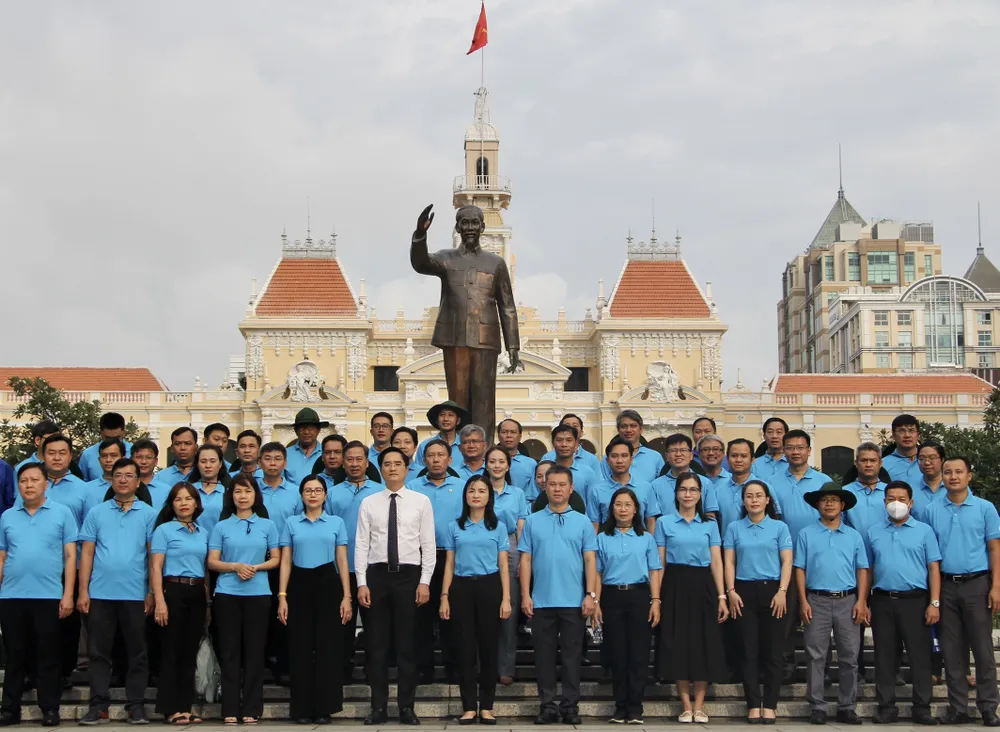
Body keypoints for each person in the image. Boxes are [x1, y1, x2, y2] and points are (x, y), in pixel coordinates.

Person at [411, 203, 520, 445]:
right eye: (464, 223)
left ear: (482, 227)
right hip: (454, 338)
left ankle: (484, 452)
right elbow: (420, 264)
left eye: (474, 223)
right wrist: (420, 234)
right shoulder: (445, 259)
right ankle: (457, 453)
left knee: (484, 400)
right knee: (457, 401)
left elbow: (507, 306)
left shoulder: (496, 263)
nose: (469, 228)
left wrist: (513, 347)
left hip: (486, 339)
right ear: (457, 227)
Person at [356, 448, 436, 725]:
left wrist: (424, 581)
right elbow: (361, 545)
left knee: (407, 646)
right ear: (380, 468)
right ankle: (378, 707)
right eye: (387, 464)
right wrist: (362, 582)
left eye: (397, 464)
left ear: (406, 468)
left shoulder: (421, 501)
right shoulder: (369, 502)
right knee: (376, 646)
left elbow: (428, 545)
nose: (392, 468)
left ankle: (406, 707)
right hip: (377, 576)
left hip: (409, 576)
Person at [77, 458, 157, 726]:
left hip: (135, 594)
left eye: (129, 475)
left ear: (138, 481)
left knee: (138, 652)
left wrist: (151, 592)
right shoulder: (96, 513)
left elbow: (152, 556)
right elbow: (86, 553)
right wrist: (83, 591)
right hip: (100, 594)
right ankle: (98, 705)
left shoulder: (148, 513)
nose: (123, 479)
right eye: (118, 475)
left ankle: (136, 705)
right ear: (111, 480)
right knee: (98, 653)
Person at [922, 457, 1000, 726]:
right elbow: (929, 555)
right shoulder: (932, 510)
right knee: (952, 651)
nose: (953, 476)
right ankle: (958, 708)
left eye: (958, 472)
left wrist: (996, 587)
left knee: (983, 649)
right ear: (941, 476)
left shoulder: (984, 508)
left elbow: (994, 549)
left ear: (969, 476)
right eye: (948, 472)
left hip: (977, 584)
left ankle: (988, 707)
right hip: (945, 586)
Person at [519, 465, 598, 725]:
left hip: (574, 601)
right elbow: (526, 560)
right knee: (543, 657)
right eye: (552, 484)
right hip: (541, 600)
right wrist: (525, 596)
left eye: (562, 484)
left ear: (571, 488)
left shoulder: (583, 521)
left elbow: (590, 560)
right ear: (545, 486)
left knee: (572, 656)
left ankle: (570, 705)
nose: (557, 489)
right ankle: (547, 705)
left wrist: (591, 595)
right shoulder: (532, 520)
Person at [0, 463, 77, 727]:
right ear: (18, 485)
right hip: (11, 596)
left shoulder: (62, 513)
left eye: (34, 480)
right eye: (23, 481)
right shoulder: (7, 516)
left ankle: (50, 709)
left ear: (46, 483)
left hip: (48, 595)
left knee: (48, 655)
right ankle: (10, 710)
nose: (29, 485)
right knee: (14, 656)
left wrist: (68, 595)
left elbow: (70, 556)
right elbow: (2, 556)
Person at [277, 475, 352, 724]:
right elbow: (286, 560)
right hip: (298, 583)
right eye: (308, 490)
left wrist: (346, 596)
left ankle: (324, 708)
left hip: (327, 582)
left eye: (318, 490)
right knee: (299, 647)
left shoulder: (336, 522)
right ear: (301, 495)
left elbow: (342, 560)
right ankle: (301, 709)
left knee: (327, 648)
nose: (313, 494)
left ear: (325, 495)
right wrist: (282, 596)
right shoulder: (291, 523)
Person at [865, 480, 940, 725]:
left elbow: (933, 568)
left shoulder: (924, 531)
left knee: (919, 656)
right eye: (890, 499)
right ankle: (886, 706)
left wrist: (934, 602)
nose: (895, 503)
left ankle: (922, 707)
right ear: (884, 501)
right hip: (883, 600)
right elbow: (868, 568)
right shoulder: (874, 531)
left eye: (901, 499)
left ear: (910, 502)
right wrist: (864, 601)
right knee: (884, 656)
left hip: (915, 601)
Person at [207, 475, 280, 726]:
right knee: (229, 652)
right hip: (227, 594)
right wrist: (235, 566)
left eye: (247, 491)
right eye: (237, 492)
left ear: (255, 495)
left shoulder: (267, 525)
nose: (242, 496)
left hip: (258, 594)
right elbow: (212, 561)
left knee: (254, 652)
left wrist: (255, 568)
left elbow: (276, 558)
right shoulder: (221, 526)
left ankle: (251, 708)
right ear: (231, 496)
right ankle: (229, 707)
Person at [655, 472, 727, 724]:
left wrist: (722, 595)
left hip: (703, 585)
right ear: (676, 493)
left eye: (693, 490)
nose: (688, 494)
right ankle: (685, 704)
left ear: (700, 494)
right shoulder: (664, 523)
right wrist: (657, 596)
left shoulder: (709, 524)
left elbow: (716, 561)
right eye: (683, 489)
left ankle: (700, 705)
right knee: (678, 643)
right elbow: (660, 562)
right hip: (674, 584)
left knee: (703, 642)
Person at [794, 483, 869, 726]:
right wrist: (803, 600)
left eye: (834, 500)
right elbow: (800, 569)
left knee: (849, 656)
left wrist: (862, 601)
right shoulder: (806, 534)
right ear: (818, 504)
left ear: (842, 505)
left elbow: (862, 569)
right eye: (825, 500)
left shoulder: (853, 535)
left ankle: (847, 706)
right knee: (815, 655)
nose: (829, 504)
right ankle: (817, 706)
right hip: (817, 599)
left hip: (848, 599)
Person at [439, 475, 511, 724]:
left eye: (481, 490)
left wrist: (506, 598)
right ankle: (469, 706)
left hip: (490, 587)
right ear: (465, 495)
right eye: (471, 490)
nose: (476, 495)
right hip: (461, 588)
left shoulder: (498, 526)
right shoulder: (454, 526)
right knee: (465, 649)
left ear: (489, 496)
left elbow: (503, 565)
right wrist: (445, 596)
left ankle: (487, 707)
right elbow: (449, 564)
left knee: (489, 648)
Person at [723, 479, 792, 724]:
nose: (754, 500)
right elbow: (729, 561)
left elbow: (786, 561)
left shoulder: (779, 528)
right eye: (749, 496)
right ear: (743, 501)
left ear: (767, 500)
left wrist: (783, 590)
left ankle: (770, 704)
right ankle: (753, 704)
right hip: (742, 591)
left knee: (773, 653)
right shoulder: (734, 528)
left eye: (758, 495)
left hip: (773, 590)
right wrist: (730, 591)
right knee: (748, 652)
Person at [594, 487, 662, 724]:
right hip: (611, 598)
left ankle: (635, 706)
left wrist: (655, 601)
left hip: (639, 596)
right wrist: (595, 602)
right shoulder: (602, 538)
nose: (623, 509)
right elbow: (597, 572)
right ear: (612, 509)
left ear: (636, 510)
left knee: (638, 654)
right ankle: (620, 706)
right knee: (618, 654)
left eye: (628, 505)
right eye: (618, 504)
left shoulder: (646, 538)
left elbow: (654, 571)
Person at [769, 429, 832, 682]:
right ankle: (786, 665)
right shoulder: (772, 482)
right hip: (784, 560)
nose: (795, 452)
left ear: (808, 450)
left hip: (817, 559)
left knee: (816, 616)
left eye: (800, 447)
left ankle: (820, 668)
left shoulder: (823, 481)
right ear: (784, 451)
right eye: (790, 447)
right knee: (784, 616)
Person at [150, 482, 210, 726]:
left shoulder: (203, 532)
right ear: (171, 504)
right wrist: (159, 600)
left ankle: (185, 707)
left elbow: (205, 569)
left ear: (196, 503)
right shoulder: (164, 530)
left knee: (189, 653)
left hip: (196, 593)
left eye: (188, 498)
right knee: (171, 651)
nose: (184, 503)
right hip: (172, 590)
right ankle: (169, 708)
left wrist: (207, 603)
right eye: (178, 499)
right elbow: (155, 566)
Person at [325, 441, 382, 682]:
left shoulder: (380, 492)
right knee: (342, 623)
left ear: (367, 462)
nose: (355, 464)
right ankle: (343, 669)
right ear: (343, 462)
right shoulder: (332, 493)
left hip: (373, 568)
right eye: (350, 459)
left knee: (374, 624)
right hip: (342, 568)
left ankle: (373, 669)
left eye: (360, 459)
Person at [409, 440, 464, 684]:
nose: (436, 459)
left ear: (449, 460)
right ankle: (423, 668)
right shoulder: (412, 488)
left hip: (452, 556)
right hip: (420, 558)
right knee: (422, 616)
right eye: (430, 455)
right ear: (424, 460)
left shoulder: (463, 487)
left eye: (441, 455)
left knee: (453, 614)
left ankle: (454, 666)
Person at [38, 435, 87, 686]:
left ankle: (65, 672)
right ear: (42, 455)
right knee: (37, 621)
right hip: (38, 566)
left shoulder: (83, 489)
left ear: (70, 456)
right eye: (51, 452)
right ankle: (33, 671)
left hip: (71, 565)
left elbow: (90, 531)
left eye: (62, 453)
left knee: (67, 622)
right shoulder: (31, 484)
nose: (57, 457)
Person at [482, 447, 528, 686]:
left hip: (510, 545)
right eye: (492, 461)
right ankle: (485, 666)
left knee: (508, 610)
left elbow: (521, 526)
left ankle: (506, 667)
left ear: (508, 466)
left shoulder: (517, 493)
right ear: (486, 464)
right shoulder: (479, 488)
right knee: (485, 607)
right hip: (482, 544)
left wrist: (521, 558)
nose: (497, 465)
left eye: (501, 461)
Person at [843, 442, 888, 682]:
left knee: (886, 621)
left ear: (880, 463)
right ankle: (856, 669)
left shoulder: (891, 493)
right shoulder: (846, 493)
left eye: (872, 460)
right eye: (863, 460)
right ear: (856, 463)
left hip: (885, 565)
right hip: (854, 567)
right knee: (855, 620)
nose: (868, 464)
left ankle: (889, 670)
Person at [593, 436, 660, 532]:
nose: (619, 461)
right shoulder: (597, 490)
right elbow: (595, 524)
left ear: (631, 459)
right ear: (607, 461)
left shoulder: (646, 488)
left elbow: (650, 521)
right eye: (614, 456)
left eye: (624, 456)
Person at [651, 434, 720, 521]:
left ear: (691, 455)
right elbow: (652, 518)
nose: (678, 454)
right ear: (667, 456)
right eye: (673, 450)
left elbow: (710, 514)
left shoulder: (705, 483)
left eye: (683, 450)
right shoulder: (655, 485)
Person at [602, 411, 664, 484]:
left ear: (640, 429)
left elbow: (661, 485)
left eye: (633, 426)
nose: (628, 430)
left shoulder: (655, 457)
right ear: (618, 430)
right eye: (624, 426)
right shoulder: (610, 457)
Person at [550, 424, 598, 511]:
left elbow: (593, 506)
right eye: (559, 440)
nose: (564, 444)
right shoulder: (546, 470)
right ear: (553, 443)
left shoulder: (587, 473)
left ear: (576, 444)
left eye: (569, 440)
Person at [189, 445, 230, 537]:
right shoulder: (188, 491)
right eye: (203, 461)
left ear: (220, 464)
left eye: (213, 461)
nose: (208, 466)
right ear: (197, 464)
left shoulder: (228, 493)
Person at [79, 413, 131, 482]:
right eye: (108, 438)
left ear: (123, 432)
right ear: (101, 434)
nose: (113, 442)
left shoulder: (135, 452)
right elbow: (82, 482)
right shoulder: (88, 454)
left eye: (117, 438)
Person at [416, 401, 469, 466]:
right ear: (437, 420)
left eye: (450, 415)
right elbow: (419, 472)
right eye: (442, 415)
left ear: (458, 421)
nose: (446, 419)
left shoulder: (466, 446)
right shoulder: (424, 446)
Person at [82, 439, 125, 517]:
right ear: (99, 460)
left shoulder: (132, 487)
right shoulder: (86, 488)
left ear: (123, 458)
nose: (108, 460)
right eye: (104, 456)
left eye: (113, 456)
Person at [285, 408, 327, 485]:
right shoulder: (285, 454)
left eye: (310, 428)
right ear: (295, 431)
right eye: (302, 428)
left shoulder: (327, 454)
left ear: (318, 430)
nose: (306, 432)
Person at [496, 419, 538, 493]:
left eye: (513, 432)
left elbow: (532, 494)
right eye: (504, 432)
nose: (509, 435)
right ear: (498, 436)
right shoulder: (490, 462)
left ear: (520, 437)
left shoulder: (530, 464)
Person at [881, 415, 923, 487]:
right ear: (893, 435)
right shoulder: (882, 464)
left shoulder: (928, 462)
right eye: (901, 431)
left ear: (918, 435)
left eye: (911, 430)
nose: (907, 435)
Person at [912, 442, 947, 520]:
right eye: (922, 458)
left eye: (932, 458)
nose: (927, 462)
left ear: (942, 460)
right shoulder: (910, 489)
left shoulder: (955, 487)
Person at [131, 440, 167, 509]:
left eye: (148, 457)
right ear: (131, 459)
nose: (143, 462)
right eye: (139, 457)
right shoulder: (122, 487)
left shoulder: (166, 491)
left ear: (156, 461)